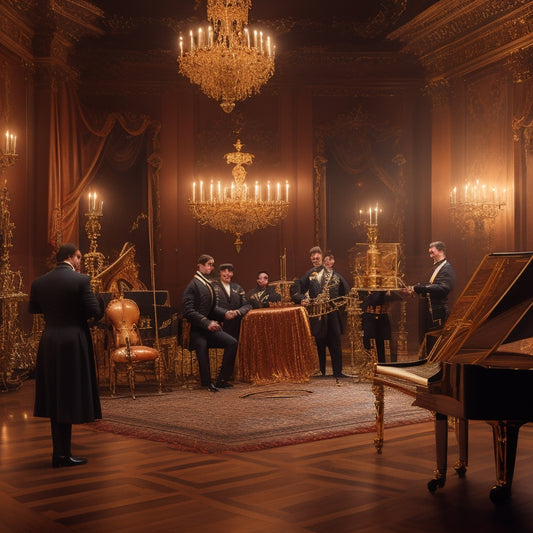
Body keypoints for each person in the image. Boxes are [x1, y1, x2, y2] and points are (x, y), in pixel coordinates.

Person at [29, 243, 104, 468]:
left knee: (55, 396)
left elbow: (34, 309)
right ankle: (63, 455)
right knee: (70, 395)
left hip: (50, 339)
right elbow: (94, 311)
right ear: (72, 257)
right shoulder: (81, 280)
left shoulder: (39, 282)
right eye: (79, 257)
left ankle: (60, 454)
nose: (80, 261)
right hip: (73, 340)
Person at [182, 254, 239, 392]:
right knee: (202, 345)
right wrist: (207, 323)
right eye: (209, 264)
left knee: (232, 342)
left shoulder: (206, 283)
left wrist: (224, 314)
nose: (211, 267)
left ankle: (222, 380)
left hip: (209, 328)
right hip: (197, 330)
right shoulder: (193, 285)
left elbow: (212, 308)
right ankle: (206, 383)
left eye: (212, 264)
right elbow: (188, 311)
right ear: (199, 265)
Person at [296, 249, 351, 378]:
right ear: (311, 259)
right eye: (313, 258)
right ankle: (321, 371)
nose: (315, 260)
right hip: (317, 314)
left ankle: (338, 372)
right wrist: (302, 299)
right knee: (319, 343)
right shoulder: (308, 275)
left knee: (335, 343)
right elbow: (298, 292)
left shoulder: (335, 276)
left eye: (318, 258)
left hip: (333, 314)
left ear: (322, 258)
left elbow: (346, 293)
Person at [404, 240, 456, 351]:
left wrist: (417, 288)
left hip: (437, 310)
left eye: (432, 252)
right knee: (425, 337)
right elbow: (428, 284)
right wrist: (414, 289)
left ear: (441, 251)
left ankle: (434, 363)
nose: (430, 254)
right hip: (428, 309)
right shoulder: (436, 267)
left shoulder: (447, 268)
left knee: (434, 341)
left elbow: (443, 288)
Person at [212, 263, 251, 339]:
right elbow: (212, 306)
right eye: (224, 271)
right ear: (219, 273)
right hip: (219, 324)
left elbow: (247, 305)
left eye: (229, 271)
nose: (227, 273)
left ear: (232, 274)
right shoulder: (212, 286)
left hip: (236, 326)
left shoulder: (238, 287)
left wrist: (237, 312)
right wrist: (225, 313)